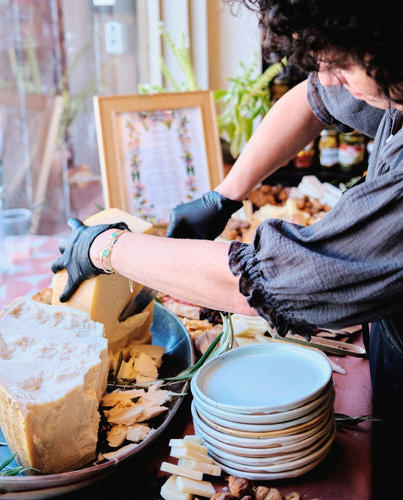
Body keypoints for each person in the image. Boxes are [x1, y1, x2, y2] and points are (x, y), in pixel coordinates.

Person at [52, 1, 403, 495]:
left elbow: (272, 280)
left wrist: (107, 248)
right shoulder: (387, 80)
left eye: (340, 64)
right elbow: (314, 99)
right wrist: (223, 196)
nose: (328, 76)